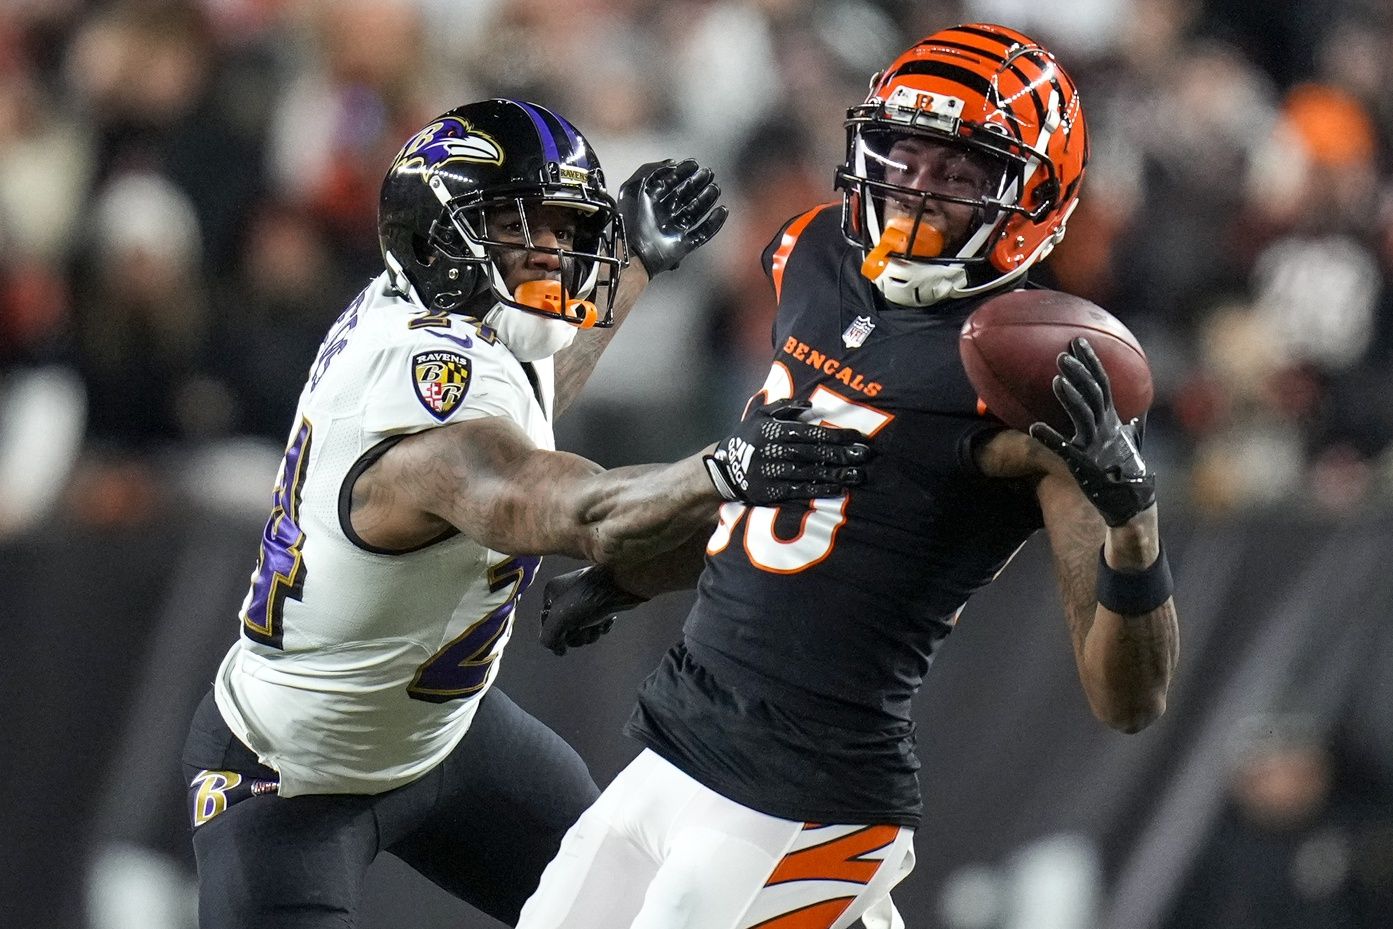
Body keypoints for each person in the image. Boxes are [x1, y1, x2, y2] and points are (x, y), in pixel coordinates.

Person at [521, 24, 1180, 929]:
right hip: (679, 743)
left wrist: (1133, 526)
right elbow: (796, 503)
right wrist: (627, 576)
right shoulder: (815, 252)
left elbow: (1128, 699)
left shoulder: (1035, 383)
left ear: (1036, 197)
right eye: (902, 157)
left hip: (811, 797)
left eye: (957, 174)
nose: (916, 190)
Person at [180, 98, 871, 929]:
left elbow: (529, 401)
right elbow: (569, 505)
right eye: (519, 230)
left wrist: (636, 261)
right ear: (439, 239)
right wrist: (723, 469)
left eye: (562, 230)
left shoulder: (458, 322)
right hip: (288, 781)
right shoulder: (418, 401)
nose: (554, 256)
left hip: (453, 739)